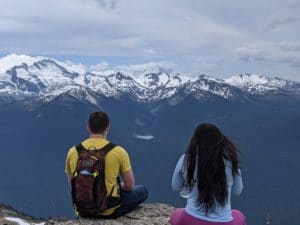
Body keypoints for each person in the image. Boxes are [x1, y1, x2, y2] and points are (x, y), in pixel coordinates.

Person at [65, 111, 148, 218]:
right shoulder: (118, 151)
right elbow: (129, 186)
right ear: (108, 128)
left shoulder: (73, 152)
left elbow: (72, 184)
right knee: (143, 190)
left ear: (88, 127)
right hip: (109, 209)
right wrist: (116, 187)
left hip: (83, 210)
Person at [171, 123, 246, 225]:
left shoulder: (187, 159)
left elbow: (175, 187)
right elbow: (238, 191)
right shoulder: (230, 161)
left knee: (176, 214)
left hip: (190, 219)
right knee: (238, 215)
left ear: (195, 140)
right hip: (224, 222)